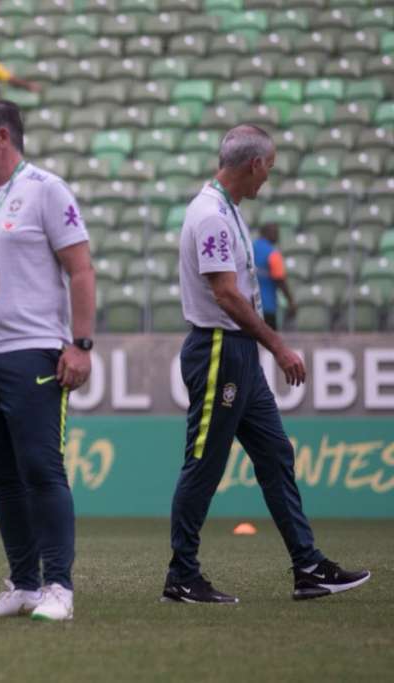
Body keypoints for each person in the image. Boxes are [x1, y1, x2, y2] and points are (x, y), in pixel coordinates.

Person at [165, 124, 370, 604]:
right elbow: (226, 295)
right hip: (219, 350)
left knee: (276, 454)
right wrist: (278, 345)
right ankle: (181, 575)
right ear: (254, 164)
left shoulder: (226, 209)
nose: (268, 178)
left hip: (238, 353)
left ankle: (308, 565)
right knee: (204, 463)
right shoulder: (212, 215)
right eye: (269, 168)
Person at [0, 100, 95, 622]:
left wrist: (79, 345)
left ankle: (59, 586)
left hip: (34, 349)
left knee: (41, 468)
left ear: (2, 136)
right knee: (3, 477)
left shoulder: (47, 188)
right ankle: (23, 585)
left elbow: (80, 270)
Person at [253, 223, 296, 330]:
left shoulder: (250, 248)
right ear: (267, 233)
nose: (277, 236)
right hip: (267, 308)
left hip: (248, 307)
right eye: (275, 233)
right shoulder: (273, 253)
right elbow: (280, 280)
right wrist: (291, 302)